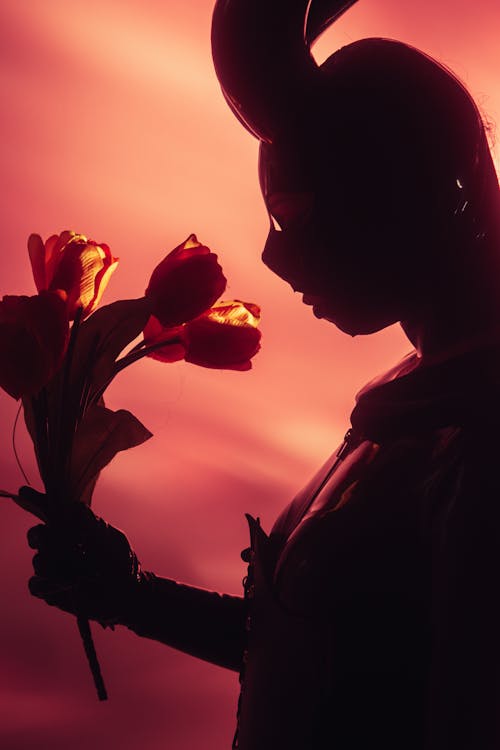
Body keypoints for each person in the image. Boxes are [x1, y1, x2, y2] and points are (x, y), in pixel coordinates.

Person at [26, 1, 500, 747]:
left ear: (416, 192)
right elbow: (328, 654)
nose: (276, 257)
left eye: (298, 214)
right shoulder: (419, 413)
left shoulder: (479, 445)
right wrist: (132, 595)